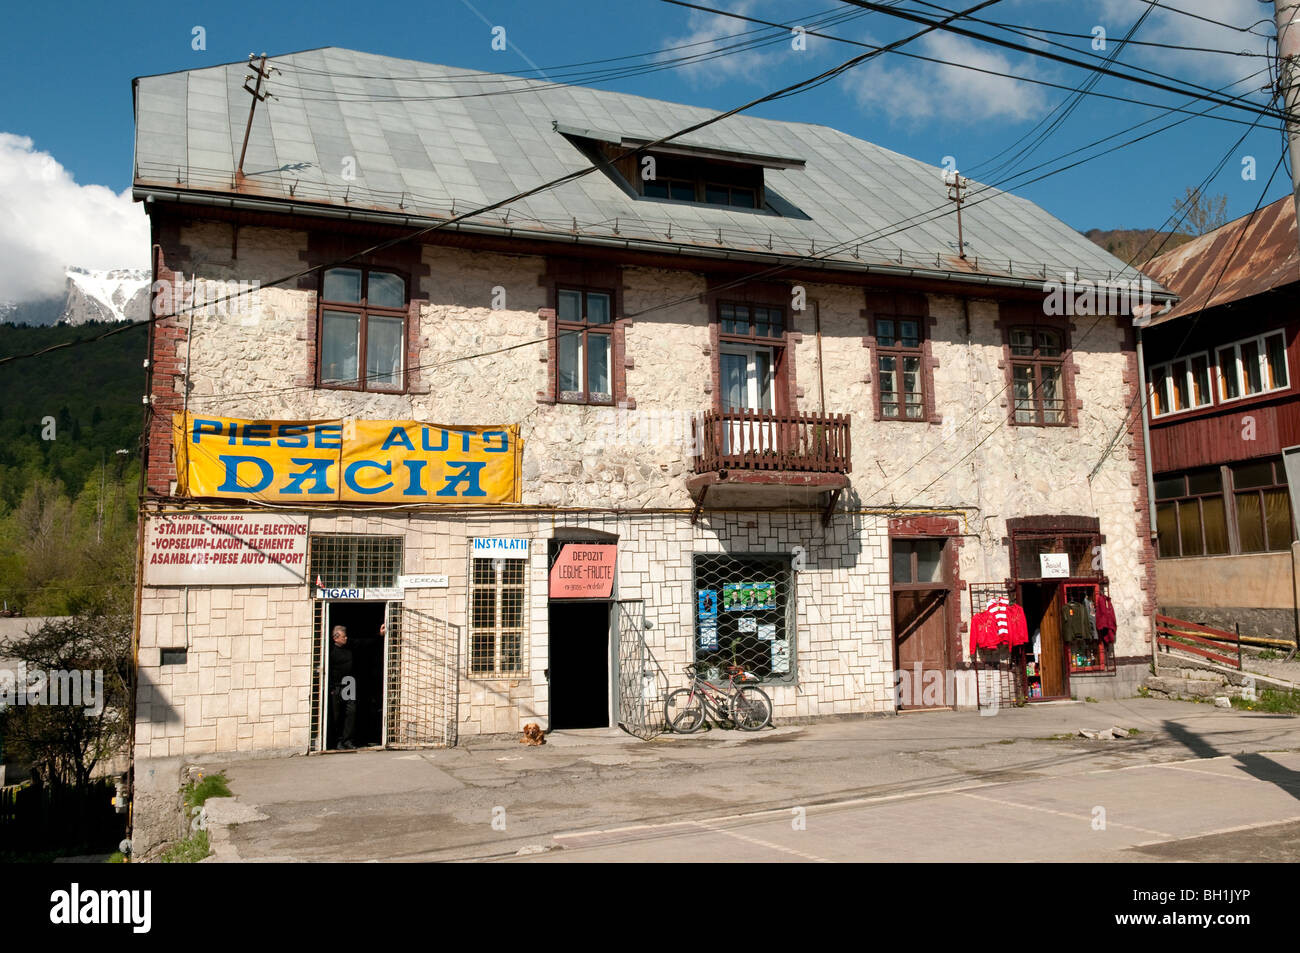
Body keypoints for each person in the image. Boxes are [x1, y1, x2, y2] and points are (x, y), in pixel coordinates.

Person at [329, 625, 357, 749]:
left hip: (349, 684)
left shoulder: (350, 647)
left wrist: (379, 635)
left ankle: (347, 740)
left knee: (351, 713)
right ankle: (338, 741)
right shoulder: (330, 651)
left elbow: (364, 642)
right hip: (337, 686)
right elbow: (327, 670)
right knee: (337, 715)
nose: (346, 638)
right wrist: (331, 687)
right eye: (343, 636)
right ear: (336, 638)